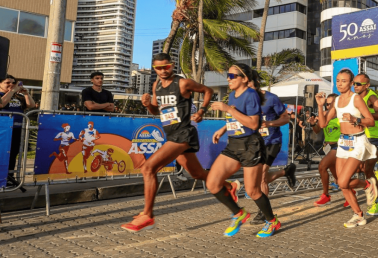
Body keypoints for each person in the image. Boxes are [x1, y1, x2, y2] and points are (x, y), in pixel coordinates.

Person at [121, 53, 220, 233]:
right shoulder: (156, 85)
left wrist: (202, 111)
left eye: (166, 67)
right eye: (158, 68)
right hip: (172, 133)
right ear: (154, 69)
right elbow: (155, 111)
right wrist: (146, 105)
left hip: (184, 134)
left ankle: (148, 216)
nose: (163, 71)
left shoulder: (183, 83)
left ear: (172, 65)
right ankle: (229, 185)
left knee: (148, 168)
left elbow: (208, 91)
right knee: (197, 174)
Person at [207, 64, 282, 238]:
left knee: (253, 190)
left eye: (232, 76)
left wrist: (227, 109)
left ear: (244, 79)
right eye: (228, 75)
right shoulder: (232, 95)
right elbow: (236, 117)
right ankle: (238, 213)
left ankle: (272, 221)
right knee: (212, 183)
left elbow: (254, 124)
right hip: (234, 144)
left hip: (251, 145)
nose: (228, 78)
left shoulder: (251, 95)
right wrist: (223, 129)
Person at [315, 69, 377, 228]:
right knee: (341, 183)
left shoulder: (355, 99)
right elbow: (322, 124)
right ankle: (358, 215)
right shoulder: (336, 101)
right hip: (343, 142)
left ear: (350, 83)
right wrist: (321, 106)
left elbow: (370, 121)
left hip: (358, 142)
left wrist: (356, 119)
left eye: (344, 81)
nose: (340, 84)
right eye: (338, 80)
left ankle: (367, 185)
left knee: (343, 181)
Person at [247, 73, 296, 224]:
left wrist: (269, 124)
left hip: (272, 141)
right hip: (256, 143)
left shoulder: (271, 98)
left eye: (247, 83)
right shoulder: (246, 99)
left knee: (261, 176)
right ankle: (285, 171)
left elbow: (286, 118)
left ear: (255, 83)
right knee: (258, 178)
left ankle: (263, 212)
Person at [0, 75, 34, 175]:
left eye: (13, 83)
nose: (11, 85)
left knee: (13, 153)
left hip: (16, 128)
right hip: (1, 128)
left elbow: (31, 105)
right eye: (7, 83)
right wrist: (12, 91)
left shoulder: (17, 97)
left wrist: (26, 94)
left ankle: (9, 176)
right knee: (0, 153)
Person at [353, 73, 378, 216]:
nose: (355, 86)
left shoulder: (371, 97)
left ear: (367, 85)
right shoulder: (355, 97)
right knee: (362, 169)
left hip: (375, 136)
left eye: (358, 84)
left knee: (368, 170)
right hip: (362, 136)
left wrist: (365, 116)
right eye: (354, 83)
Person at [313, 93, 340, 206]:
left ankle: (326, 195)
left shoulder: (341, 115)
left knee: (322, 166)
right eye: (327, 104)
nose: (328, 107)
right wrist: (313, 123)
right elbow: (317, 130)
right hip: (328, 148)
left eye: (330, 104)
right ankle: (353, 190)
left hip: (339, 146)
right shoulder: (324, 115)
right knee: (339, 178)